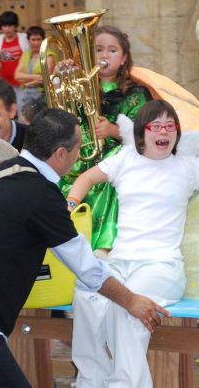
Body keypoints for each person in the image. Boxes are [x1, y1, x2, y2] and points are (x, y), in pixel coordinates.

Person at [0, 108, 168, 387]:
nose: (78, 155)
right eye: (77, 148)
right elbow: (86, 268)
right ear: (61, 154)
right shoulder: (40, 196)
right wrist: (131, 300)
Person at [68, 100, 199, 387]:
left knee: (131, 309)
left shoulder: (188, 166)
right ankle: (91, 378)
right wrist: (71, 202)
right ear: (142, 132)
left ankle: (123, 383)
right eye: (156, 126)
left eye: (170, 126)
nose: (163, 132)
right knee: (86, 295)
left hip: (161, 266)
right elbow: (87, 177)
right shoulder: (125, 159)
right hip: (119, 261)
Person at [57, 25, 152, 251]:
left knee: (110, 171)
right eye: (98, 50)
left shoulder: (136, 94)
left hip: (114, 157)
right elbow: (59, 116)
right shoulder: (77, 85)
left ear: (124, 58)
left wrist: (114, 131)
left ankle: (103, 245)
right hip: (78, 156)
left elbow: (146, 134)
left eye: (112, 51)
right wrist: (59, 80)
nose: (104, 56)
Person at [13, 25, 55, 120]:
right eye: (33, 39)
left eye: (38, 39)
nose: (36, 42)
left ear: (43, 40)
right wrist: (36, 77)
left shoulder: (49, 56)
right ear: (28, 40)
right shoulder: (26, 54)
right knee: (22, 121)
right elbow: (16, 75)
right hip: (24, 94)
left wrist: (26, 78)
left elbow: (45, 79)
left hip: (40, 96)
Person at [0, 11, 29, 88]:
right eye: (4, 26)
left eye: (10, 26)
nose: (7, 29)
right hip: (4, 80)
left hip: (22, 80)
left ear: (15, 26)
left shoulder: (24, 38)